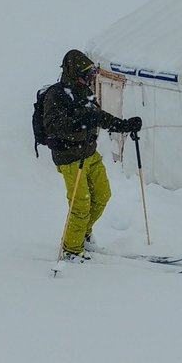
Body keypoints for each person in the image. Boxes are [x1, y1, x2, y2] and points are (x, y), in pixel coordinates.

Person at [43, 49, 141, 258]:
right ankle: (71, 249)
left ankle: (82, 236)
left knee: (103, 195)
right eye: (86, 74)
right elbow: (53, 126)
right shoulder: (56, 94)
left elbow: (97, 117)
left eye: (91, 75)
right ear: (75, 72)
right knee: (80, 205)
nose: (89, 79)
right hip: (69, 158)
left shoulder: (84, 91)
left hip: (89, 153)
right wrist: (79, 123)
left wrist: (124, 125)